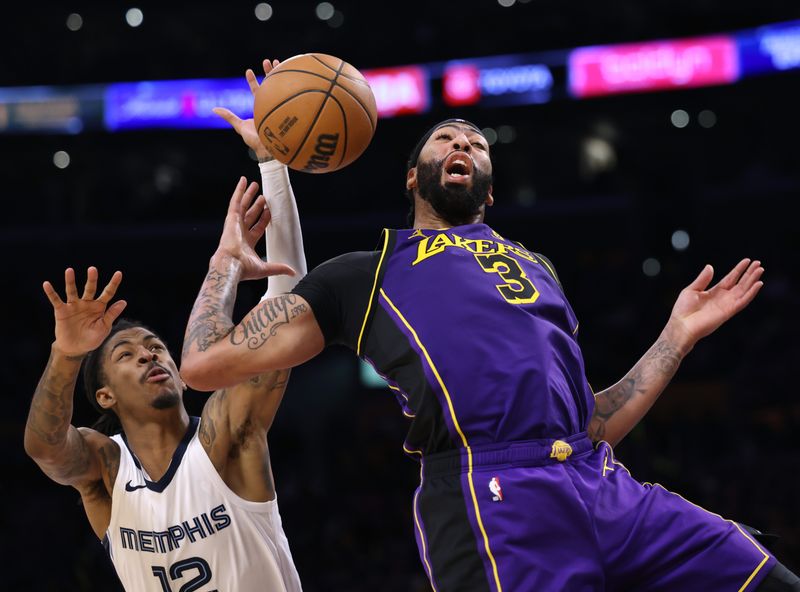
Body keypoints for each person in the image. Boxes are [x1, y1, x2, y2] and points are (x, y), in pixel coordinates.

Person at [180, 118, 800, 590]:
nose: (462, 148)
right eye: (446, 139)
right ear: (412, 175)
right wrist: (224, 263)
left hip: (600, 479)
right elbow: (203, 362)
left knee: (767, 577)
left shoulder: (539, 268)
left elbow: (594, 424)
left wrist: (676, 336)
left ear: (490, 187)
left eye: (477, 145)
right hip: (491, 494)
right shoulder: (367, 275)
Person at [24, 60, 308, 591]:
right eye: (127, 354)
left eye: (157, 347)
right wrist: (65, 356)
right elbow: (45, 447)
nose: (152, 355)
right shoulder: (105, 472)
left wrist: (271, 163)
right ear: (104, 397)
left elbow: (288, 308)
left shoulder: (226, 435)